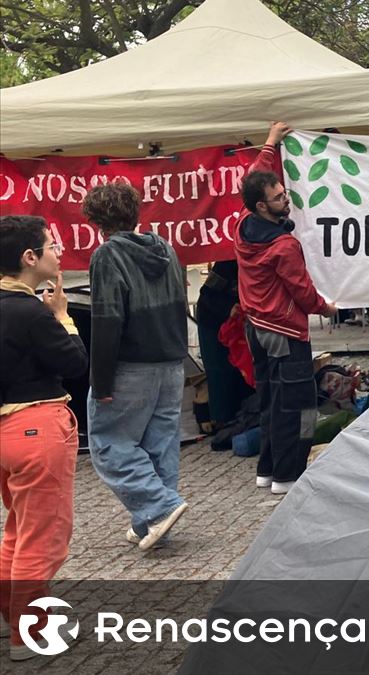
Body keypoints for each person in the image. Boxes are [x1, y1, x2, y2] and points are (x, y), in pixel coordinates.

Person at [83, 182, 190, 551]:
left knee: (109, 443)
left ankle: (160, 508)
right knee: (160, 445)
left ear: (96, 221)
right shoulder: (166, 248)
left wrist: (102, 379)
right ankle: (151, 522)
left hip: (132, 363)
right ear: (136, 212)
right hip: (171, 360)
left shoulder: (107, 256)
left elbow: (107, 320)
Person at [0, 216, 88, 660]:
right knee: (44, 534)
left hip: (5, 432)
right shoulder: (31, 312)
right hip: (36, 427)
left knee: (18, 528)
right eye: (51, 246)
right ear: (29, 257)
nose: (59, 253)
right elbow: (73, 362)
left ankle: (12, 610)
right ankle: (30, 635)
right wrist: (63, 317)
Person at [236, 122, 337, 495]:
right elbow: (303, 292)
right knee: (299, 406)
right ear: (263, 207)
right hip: (285, 333)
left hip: (257, 328)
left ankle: (267, 469)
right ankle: (289, 475)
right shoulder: (283, 246)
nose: (286, 199)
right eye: (279, 198)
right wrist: (327, 308)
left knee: (270, 400)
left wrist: (269, 145)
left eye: (283, 193)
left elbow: (251, 180)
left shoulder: (244, 223)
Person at [195, 260, 253, 428]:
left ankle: (244, 415)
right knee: (219, 369)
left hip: (239, 322)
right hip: (212, 321)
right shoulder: (226, 264)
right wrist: (228, 308)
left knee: (243, 369)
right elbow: (206, 293)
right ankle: (221, 420)